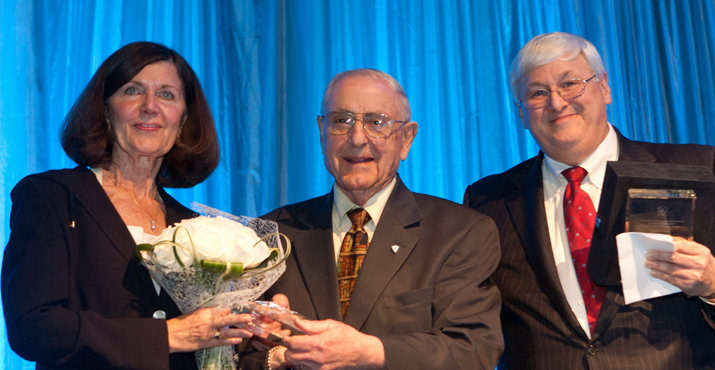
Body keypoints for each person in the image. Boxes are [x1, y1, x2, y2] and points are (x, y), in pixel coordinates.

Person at [463, 32, 715, 368]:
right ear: (521, 113)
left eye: (570, 83)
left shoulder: (699, 168)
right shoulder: (487, 201)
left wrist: (712, 285)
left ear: (605, 87)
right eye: (538, 93)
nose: (556, 102)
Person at [2, 42, 253, 370]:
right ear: (105, 110)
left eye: (167, 95)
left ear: (184, 118)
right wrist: (165, 335)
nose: (150, 107)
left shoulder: (196, 227)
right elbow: (32, 328)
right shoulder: (53, 197)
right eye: (132, 91)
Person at [244, 68, 503, 369]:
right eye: (342, 121)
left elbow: (473, 350)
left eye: (375, 123)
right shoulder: (270, 235)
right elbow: (228, 355)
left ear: (406, 139)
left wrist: (370, 351)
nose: (357, 138)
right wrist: (278, 357)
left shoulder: (460, 232)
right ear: (321, 131)